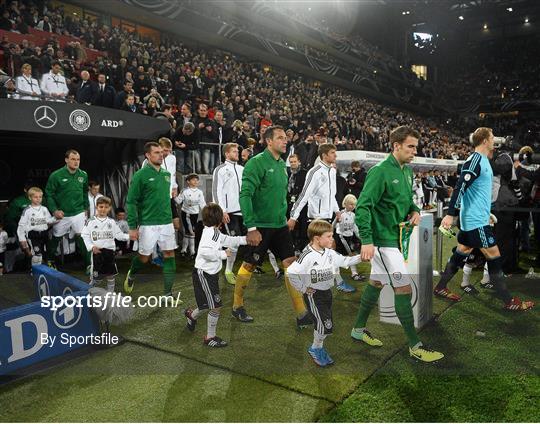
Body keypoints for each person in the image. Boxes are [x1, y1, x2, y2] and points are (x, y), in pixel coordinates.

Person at [353, 126, 444, 363]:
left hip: (395, 240)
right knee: (403, 288)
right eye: (410, 146)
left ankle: (357, 330)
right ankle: (415, 345)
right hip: (383, 242)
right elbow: (363, 206)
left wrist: (414, 210)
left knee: (375, 282)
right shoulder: (380, 171)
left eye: (416, 146)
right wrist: (367, 240)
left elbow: (406, 202)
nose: (415, 151)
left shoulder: (407, 172)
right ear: (396, 146)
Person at [436, 127, 534, 311]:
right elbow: (460, 187)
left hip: (478, 218)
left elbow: (476, 192)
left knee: (461, 254)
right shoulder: (474, 161)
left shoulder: (484, 161)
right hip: (475, 222)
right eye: (491, 138)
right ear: (484, 141)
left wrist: (486, 212)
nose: (494, 140)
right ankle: (509, 301)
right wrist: (450, 214)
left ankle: (441, 287)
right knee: (495, 257)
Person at [233, 125, 310, 328]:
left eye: (286, 138)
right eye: (280, 138)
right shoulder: (256, 163)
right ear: (269, 141)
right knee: (250, 265)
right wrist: (251, 227)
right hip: (260, 226)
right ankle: (237, 305)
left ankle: (301, 313)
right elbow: (245, 195)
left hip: (279, 225)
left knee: (290, 264)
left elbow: (279, 195)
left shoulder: (281, 165)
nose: (285, 141)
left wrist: (284, 216)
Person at [288, 220, 362, 367]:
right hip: (314, 295)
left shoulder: (329, 252)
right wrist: (303, 288)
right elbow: (291, 272)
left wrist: (362, 257)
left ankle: (313, 336)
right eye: (328, 236)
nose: (332, 239)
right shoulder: (307, 255)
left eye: (332, 236)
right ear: (317, 238)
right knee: (325, 326)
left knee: (324, 324)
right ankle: (315, 348)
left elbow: (344, 261)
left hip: (327, 293)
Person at [287, 144, 355, 293]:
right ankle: (333, 281)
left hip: (328, 216)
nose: (335, 156)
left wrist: (337, 211)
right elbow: (304, 195)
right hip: (315, 218)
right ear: (324, 155)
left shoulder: (331, 171)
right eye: (332, 153)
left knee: (324, 249)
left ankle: (310, 277)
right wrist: (294, 216)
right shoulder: (315, 171)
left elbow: (331, 195)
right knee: (325, 248)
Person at [184, 203, 247, 348]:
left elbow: (229, 240)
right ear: (220, 219)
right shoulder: (211, 234)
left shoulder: (214, 232)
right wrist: (223, 254)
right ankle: (209, 337)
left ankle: (191, 315)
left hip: (208, 274)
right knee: (215, 306)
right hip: (204, 274)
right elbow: (206, 252)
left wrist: (245, 239)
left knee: (207, 304)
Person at [124, 142, 177, 296]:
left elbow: (168, 199)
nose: (161, 155)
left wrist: (174, 216)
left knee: (169, 254)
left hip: (166, 222)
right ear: (147, 155)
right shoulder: (140, 175)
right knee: (144, 258)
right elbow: (131, 201)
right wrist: (132, 226)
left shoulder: (167, 175)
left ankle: (168, 294)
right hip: (148, 224)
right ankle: (132, 274)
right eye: (156, 152)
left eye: (162, 152)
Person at [45, 150, 90, 271]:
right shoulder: (56, 175)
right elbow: (49, 194)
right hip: (62, 214)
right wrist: (54, 210)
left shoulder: (83, 174)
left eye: (78, 159)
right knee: (56, 238)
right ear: (66, 160)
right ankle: (49, 260)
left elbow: (85, 192)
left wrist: (85, 208)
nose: (76, 162)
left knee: (82, 238)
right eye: (73, 159)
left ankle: (89, 265)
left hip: (79, 213)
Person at [212, 143, 244, 285]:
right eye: (234, 151)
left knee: (238, 242)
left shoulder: (242, 169)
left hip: (242, 212)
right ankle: (228, 270)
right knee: (233, 242)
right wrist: (222, 210)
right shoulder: (220, 170)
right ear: (226, 154)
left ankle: (223, 263)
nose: (237, 153)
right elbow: (216, 191)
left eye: (237, 151)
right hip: (228, 212)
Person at [82, 196, 129, 292]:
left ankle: (110, 295)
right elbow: (85, 235)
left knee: (111, 275)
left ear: (109, 208)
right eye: (101, 207)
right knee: (97, 278)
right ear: (96, 207)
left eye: (106, 207)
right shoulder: (90, 222)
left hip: (109, 252)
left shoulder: (111, 222)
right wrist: (91, 247)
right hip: (97, 252)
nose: (103, 209)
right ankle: (89, 293)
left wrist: (130, 236)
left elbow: (119, 235)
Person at [17, 187, 56, 267]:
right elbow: (21, 225)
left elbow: (49, 220)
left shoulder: (44, 209)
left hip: (44, 234)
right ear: (30, 197)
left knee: (46, 253)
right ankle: (34, 271)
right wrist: (22, 239)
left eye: (40, 197)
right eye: (35, 197)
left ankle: (46, 270)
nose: (38, 199)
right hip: (33, 235)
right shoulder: (27, 210)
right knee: (37, 255)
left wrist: (56, 218)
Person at [333, 194, 365, 282]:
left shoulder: (353, 215)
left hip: (349, 237)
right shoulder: (341, 214)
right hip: (341, 237)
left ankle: (353, 274)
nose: (352, 206)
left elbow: (355, 228)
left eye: (354, 205)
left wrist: (360, 237)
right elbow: (333, 225)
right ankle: (348, 275)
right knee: (342, 255)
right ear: (345, 203)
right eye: (351, 204)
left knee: (348, 255)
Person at [175, 173, 206, 258]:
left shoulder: (200, 192)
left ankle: (183, 250)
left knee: (188, 232)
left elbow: (202, 204)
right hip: (186, 214)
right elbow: (178, 201)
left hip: (195, 215)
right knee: (191, 232)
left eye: (197, 179)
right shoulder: (185, 191)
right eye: (193, 179)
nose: (196, 181)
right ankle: (192, 251)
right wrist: (174, 196)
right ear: (188, 181)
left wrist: (207, 212)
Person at [287, 154, 308, 254]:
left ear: (299, 162)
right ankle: (292, 248)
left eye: (294, 162)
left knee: (303, 228)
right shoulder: (287, 173)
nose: (293, 164)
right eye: (291, 162)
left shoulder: (305, 173)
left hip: (302, 205)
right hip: (290, 204)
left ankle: (302, 248)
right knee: (291, 228)